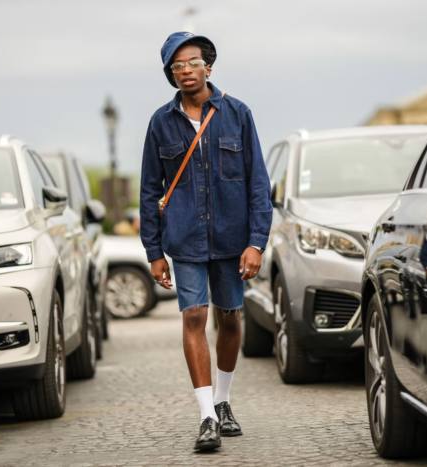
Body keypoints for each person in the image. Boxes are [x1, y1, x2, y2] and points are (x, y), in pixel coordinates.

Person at [139, 32, 272, 452]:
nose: (185, 72)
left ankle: (224, 400)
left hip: (233, 240)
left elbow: (258, 184)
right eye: (176, 67)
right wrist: (153, 251)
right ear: (170, 75)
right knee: (193, 316)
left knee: (230, 317)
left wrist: (256, 242)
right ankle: (207, 417)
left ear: (208, 66)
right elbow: (148, 190)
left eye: (191, 63)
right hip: (185, 240)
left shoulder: (237, 114)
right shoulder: (161, 123)